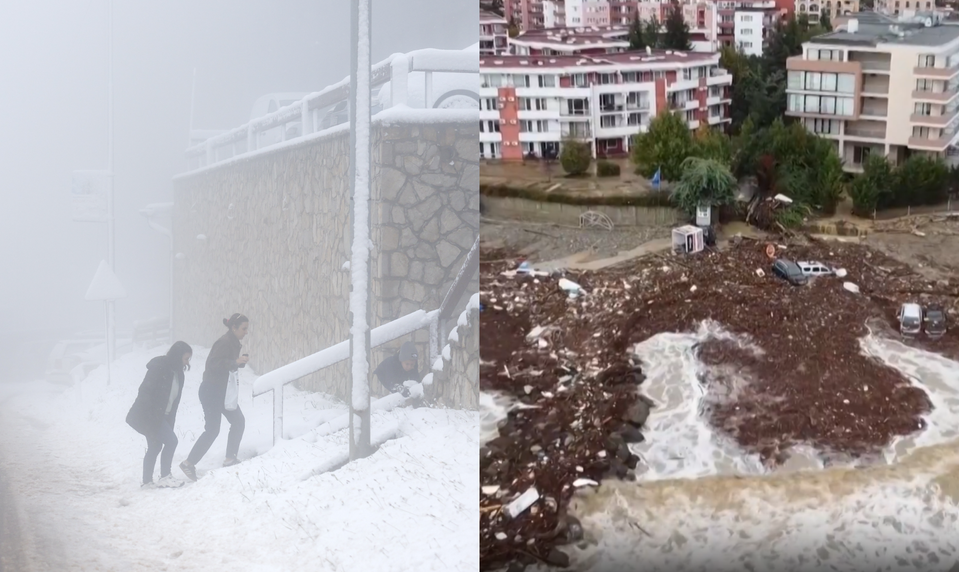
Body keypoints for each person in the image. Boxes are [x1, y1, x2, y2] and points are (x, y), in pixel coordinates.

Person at [179, 313, 249, 481]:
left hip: (221, 391)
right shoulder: (224, 342)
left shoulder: (231, 342)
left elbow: (225, 364)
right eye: (243, 329)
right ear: (234, 328)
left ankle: (230, 458)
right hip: (212, 391)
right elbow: (213, 364)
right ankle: (188, 464)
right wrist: (235, 362)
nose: (246, 332)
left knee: (238, 421)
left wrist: (238, 362)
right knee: (213, 429)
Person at [126, 341, 193, 488]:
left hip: (163, 416)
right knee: (171, 441)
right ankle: (165, 476)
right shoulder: (159, 368)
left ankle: (147, 482)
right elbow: (145, 391)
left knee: (155, 446)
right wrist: (152, 416)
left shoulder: (178, 373)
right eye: (185, 358)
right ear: (177, 356)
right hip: (149, 415)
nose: (187, 362)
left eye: (188, 359)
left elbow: (173, 400)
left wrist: (168, 421)